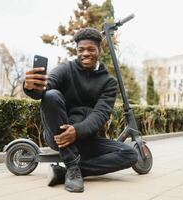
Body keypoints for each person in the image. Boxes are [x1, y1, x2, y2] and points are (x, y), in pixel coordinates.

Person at [23, 28, 138, 193]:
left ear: (99, 50)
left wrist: (77, 131)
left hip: (85, 137)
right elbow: (44, 89)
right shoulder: (65, 69)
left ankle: (66, 172)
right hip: (58, 135)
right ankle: (71, 165)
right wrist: (31, 87)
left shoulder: (108, 82)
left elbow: (101, 114)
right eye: (81, 50)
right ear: (76, 51)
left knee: (130, 154)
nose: (85, 53)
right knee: (51, 95)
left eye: (91, 49)